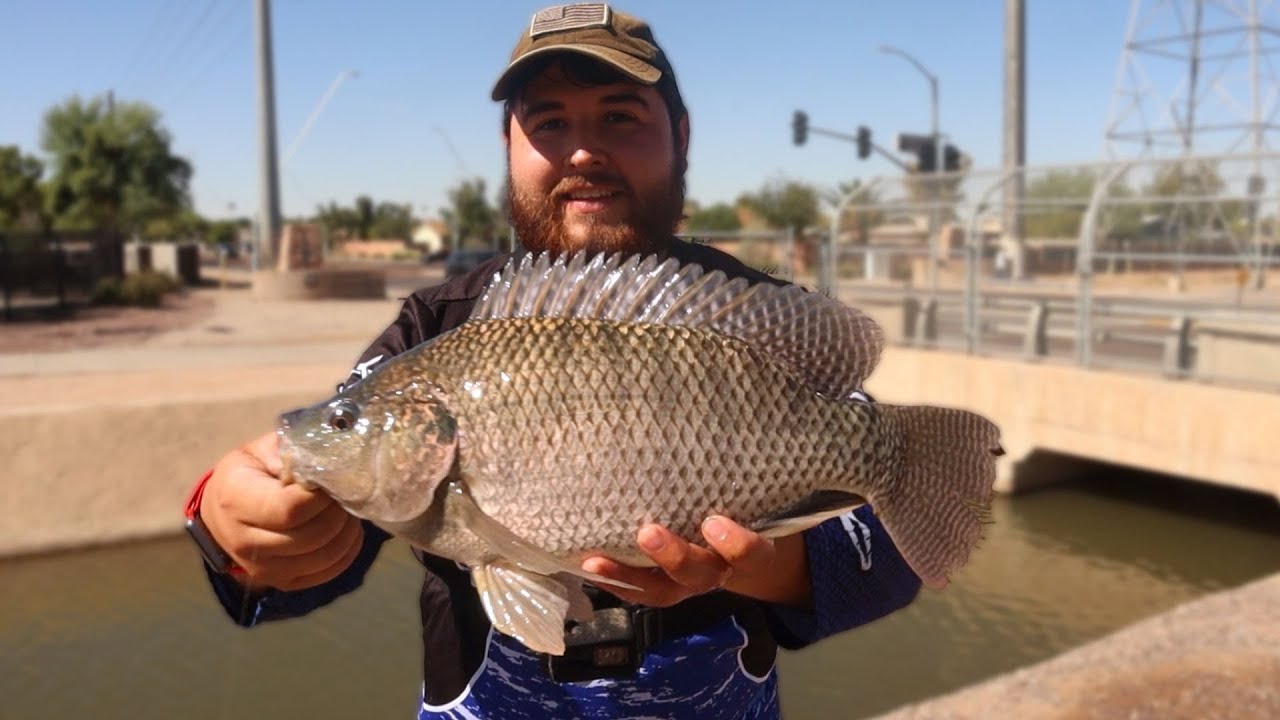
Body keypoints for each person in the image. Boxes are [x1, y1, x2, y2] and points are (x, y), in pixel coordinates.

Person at [185, 5, 922, 718]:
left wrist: (758, 560)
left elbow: (894, 552)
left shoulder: (745, 313)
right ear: (509, 145)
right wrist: (239, 529)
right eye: (549, 121)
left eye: (620, 116)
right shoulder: (436, 330)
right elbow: (319, 553)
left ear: (682, 137)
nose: (582, 150)